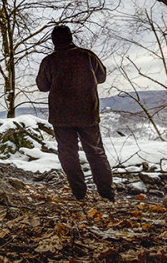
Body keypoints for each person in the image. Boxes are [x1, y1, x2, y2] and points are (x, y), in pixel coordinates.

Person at [36, 24, 115, 201]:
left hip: (61, 115)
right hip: (88, 113)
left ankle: (79, 193)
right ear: (71, 38)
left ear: (53, 41)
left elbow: (42, 86)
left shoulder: (49, 61)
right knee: (96, 152)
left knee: (68, 154)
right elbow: (101, 77)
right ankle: (107, 194)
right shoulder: (87, 55)